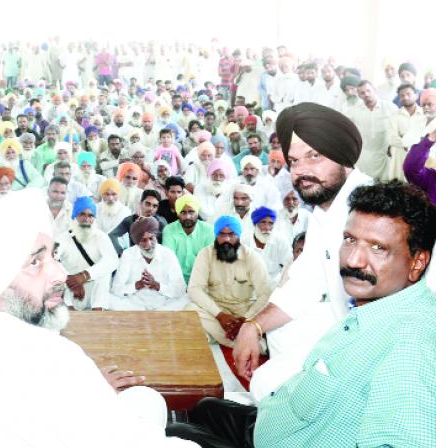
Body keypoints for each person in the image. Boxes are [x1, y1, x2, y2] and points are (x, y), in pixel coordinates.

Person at [167, 181, 436, 447]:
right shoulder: (372, 312)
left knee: (170, 432)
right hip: (273, 422)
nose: (354, 260)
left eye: (378, 248)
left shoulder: (411, 346)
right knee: (205, 408)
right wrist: (252, 327)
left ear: (417, 262)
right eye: (350, 240)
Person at [0, 188, 197, 448]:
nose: (60, 274)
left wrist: (87, 389)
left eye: (53, 256)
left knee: (145, 399)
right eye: (35, 263)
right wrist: (86, 389)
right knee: (149, 403)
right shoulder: (59, 357)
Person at [233, 102, 373, 402]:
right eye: (294, 161)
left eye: (315, 156)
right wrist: (252, 326)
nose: (302, 171)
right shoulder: (324, 212)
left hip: (368, 361)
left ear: (344, 157)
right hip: (337, 345)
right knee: (268, 374)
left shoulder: (373, 214)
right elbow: (304, 284)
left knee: (269, 386)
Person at [187, 216, 273, 347]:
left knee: (267, 314)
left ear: (238, 236)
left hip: (244, 311)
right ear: (216, 236)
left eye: (232, 234)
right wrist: (219, 315)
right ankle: (246, 341)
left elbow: (266, 294)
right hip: (215, 310)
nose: (226, 239)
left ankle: (224, 336)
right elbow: (194, 289)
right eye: (222, 234)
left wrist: (244, 320)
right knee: (190, 311)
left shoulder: (252, 257)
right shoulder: (205, 254)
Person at [111, 217, 188, 311]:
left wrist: (157, 286)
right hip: (134, 305)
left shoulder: (168, 254)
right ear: (136, 242)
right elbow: (116, 289)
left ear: (156, 237)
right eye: (143, 240)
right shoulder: (128, 254)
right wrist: (136, 285)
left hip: (164, 305)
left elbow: (180, 289)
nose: (148, 244)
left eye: (151, 238)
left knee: (187, 299)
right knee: (108, 299)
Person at [54, 196, 118, 310]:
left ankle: (98, 310)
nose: (86, 219)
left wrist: (84, 276)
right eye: (82, 214)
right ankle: (69, 309)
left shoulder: (101, 237)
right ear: (74, 216)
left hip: (94, 293)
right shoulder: (63, 238)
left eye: (90, 215)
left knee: (104, 273)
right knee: (55, 275)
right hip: (71, 292)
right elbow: (51, 260)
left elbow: (112, 261)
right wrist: (70, 280)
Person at [162, 194, 215, 284]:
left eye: (191, 212)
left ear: (197, 213)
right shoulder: (169, 230)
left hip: (202, 280)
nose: (187, 217)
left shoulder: (208, 230)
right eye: (183, 212)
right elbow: (169, 260)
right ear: (178, 214)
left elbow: (210, 261)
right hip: (175, 280)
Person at [242, 206, 293, 287]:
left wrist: (281, 287)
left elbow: (289, 265)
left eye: (270, 223)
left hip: (274, 285)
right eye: (263, 222)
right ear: (255, 224)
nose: (267, 228)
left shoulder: (280, 240)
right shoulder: (244, 240)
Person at [108, 190, 167, 255]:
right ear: (141, 203)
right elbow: (112, 235)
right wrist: (121, 253)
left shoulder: (161, 223)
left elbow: (166, 246)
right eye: (148, 204)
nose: (151, 208)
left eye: (154, 206)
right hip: (134, 258)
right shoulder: (130, 220)